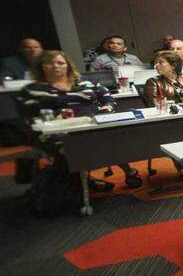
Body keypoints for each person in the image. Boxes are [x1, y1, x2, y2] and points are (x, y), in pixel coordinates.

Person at [18, 49, 138, 189]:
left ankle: (128, 171)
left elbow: (106, 98)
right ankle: (83, 180)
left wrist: (106, 109)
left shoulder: (84, 83)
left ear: (68, 65)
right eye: (49, 63)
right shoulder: (33, 90)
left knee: (111, 138)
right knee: (73, 145)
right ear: (41, 67)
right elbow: (29, 116)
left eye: (60, 63)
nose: (56, 66)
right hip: (57, 130)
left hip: (94, 123)